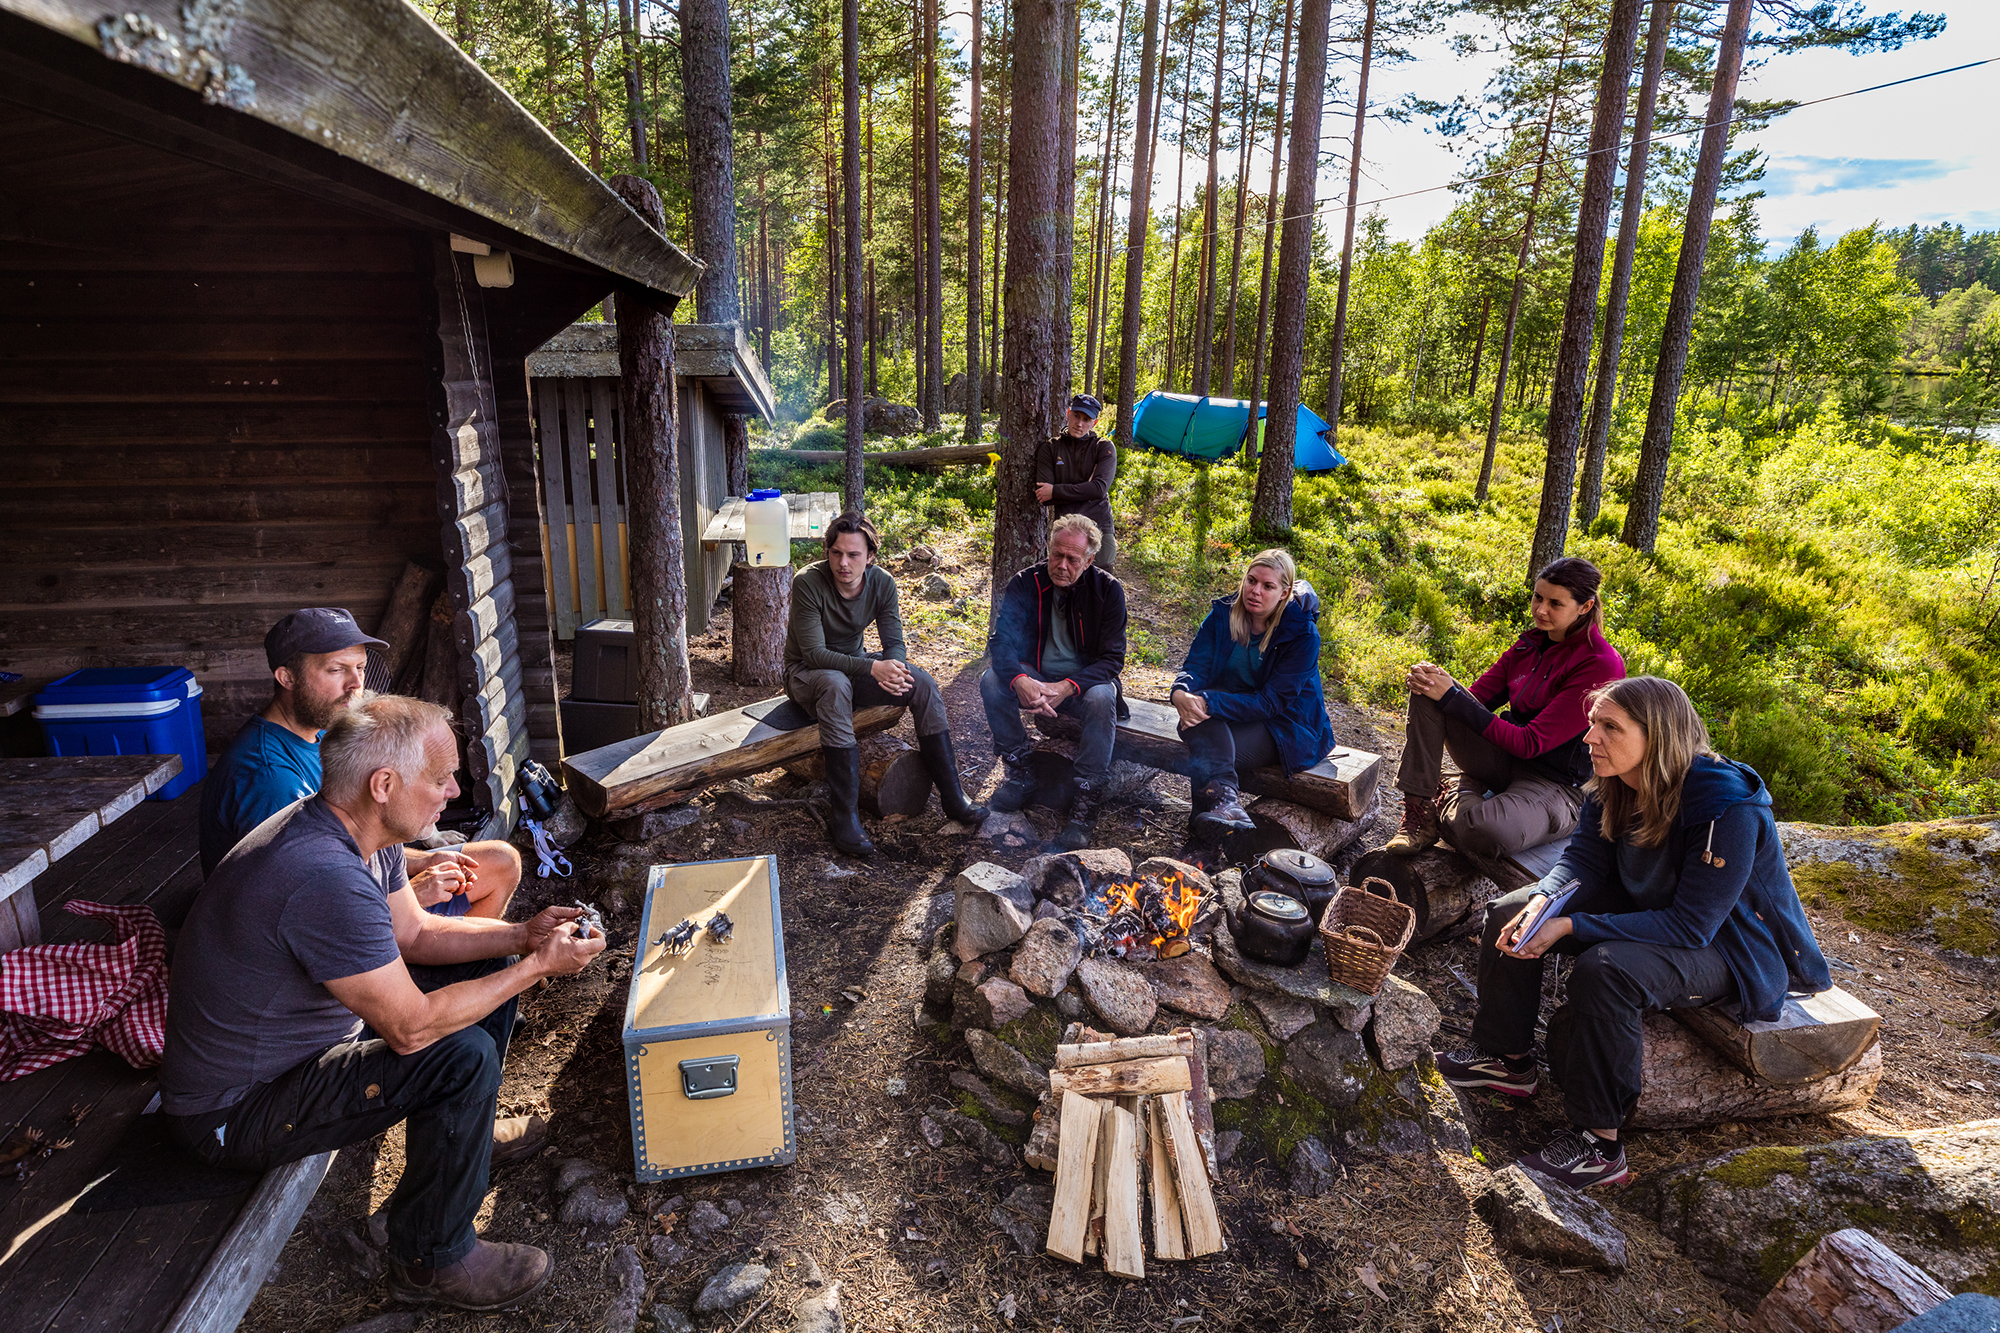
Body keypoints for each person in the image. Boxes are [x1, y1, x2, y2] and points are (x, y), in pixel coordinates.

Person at [161, 694, 606, 1310]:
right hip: (234, 1112)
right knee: (462, 1055)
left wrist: (521, 937)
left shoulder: (367, 831)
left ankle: (464, 1141)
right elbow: (411, 1030)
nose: (453, 791)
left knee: (486, 959)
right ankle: (432, 1261)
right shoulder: (322, 875)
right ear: (384, 783)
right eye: (441, 777)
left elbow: (416, 934)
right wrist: (539, 966)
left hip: (300, 1055)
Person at [1437, 677, 1832, 1189]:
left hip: (1728, 947)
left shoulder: (1726, 807)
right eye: (1592, 724)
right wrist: (1543, 901)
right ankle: (1506, 1058)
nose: (1589, 739)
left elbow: (1692, 924)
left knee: (1606, 970)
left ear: (1659, 737)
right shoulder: (1617, 779)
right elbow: (1582, 860)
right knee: (1511, 912)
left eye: (1609, 727)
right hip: (1652, 908)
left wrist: (1572, 923)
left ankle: (1600, 1144)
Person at [199, 607, 522, 920]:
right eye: (337, 670)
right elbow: (309, 899)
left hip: (348, 883)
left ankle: (451, 956)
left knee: (499, 861)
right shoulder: (271, 777)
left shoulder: (324, 730)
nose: (356, 684)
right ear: (287, 678)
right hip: (303, 932)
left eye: (361, 668)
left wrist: (424, 860)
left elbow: (349, 845)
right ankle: (428, 968)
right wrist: (414, 892)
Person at [1385, 557, 1625, 861]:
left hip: (1556, 784)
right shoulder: (1529, 645)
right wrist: (1438, 686)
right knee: (1428, 689)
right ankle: (1419, 812)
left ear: (1585, 607)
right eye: (1538, 597)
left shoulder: (1599, 664)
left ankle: (1456, 792)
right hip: (1503, 760)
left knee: (1487, 832)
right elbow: (1473, 700)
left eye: (1555, 603)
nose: (1541, 610)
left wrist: (1452, 698)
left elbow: (1530, 743)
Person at [784, 511, 987, 857]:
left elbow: (894, 642)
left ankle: (953, 795)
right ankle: (844, 816)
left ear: (871, 557)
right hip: (806, 674)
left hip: (855, 669)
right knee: (835, 686)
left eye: (853, 555)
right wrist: (872, 668)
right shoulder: (809, 582)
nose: (843, 563)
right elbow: (815, 654)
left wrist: (892, 667)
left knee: (919, 681)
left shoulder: (881, 583)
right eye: (836, 553)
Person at [1169, 550, 1337, 842]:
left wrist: (1210, 702)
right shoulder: (1223, 615)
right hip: (1233, 711)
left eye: (1267, 586)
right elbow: (1196, 665)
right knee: (1197, 721)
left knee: (1205, 738)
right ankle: (1225, 803)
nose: (1255, 591)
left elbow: (1272, 702)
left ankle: (1203, 837)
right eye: (1251, 581)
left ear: (1284, 592)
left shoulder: (1302, 634)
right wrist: (1181, 693)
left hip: (1285, 726)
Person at [983, 515, 1129, 851]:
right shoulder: (1026, 583)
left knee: (1102, 697)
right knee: (992, 680)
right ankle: (1020, 771)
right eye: (1056, 555)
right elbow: (1002, 641)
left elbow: (1111, 660)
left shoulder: (1107, 591)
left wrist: (1067, 686)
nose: (1061, 565)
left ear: (1089, 560)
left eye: (1072, 559)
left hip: (1081, 685)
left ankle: (1085, 801)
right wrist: (1020, 679)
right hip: (1035, 677)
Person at [1034, 394, 1117, 570]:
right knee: (1065, 580)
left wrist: (1056, 491)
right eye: (1077, 416)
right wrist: (1085, 488)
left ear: (1094, 423)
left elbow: (1098, 489)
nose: (1079, 423)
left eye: (1086, 419)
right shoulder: (1050, 448)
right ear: (1068, 413)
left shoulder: (1103, 447)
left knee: (1101, 583)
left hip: (1099, 525)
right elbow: (1044, 496)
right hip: (1066, 528)